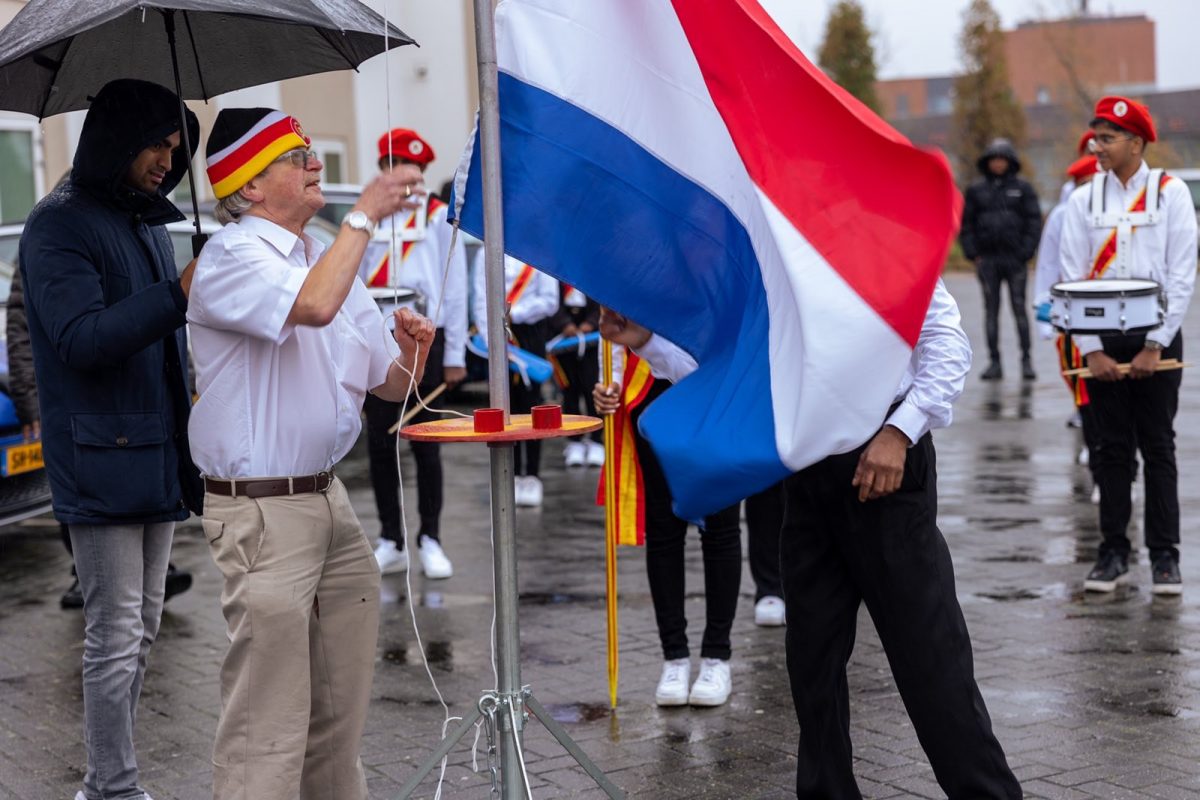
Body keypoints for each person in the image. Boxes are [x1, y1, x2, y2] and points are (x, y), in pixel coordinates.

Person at [598, 284, 1021, 796]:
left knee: (930, 658)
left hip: (885, 467)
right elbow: (735, 371)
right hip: (807, 472)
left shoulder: (885, 247)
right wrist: (647, 342)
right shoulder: (774, 257)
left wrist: (900, 431)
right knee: (811, 661)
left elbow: (947, 344)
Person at [189, 107, 434, 800]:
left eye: (308, 152)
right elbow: (317, 307)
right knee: (265, 722)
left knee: (338, 714)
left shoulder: (317, 254)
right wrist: (365, 214)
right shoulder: (231, 256)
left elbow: (390, 385)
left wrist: (412, 349)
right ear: (250, 186)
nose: (314, 163)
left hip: (327, 498)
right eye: (296, 157)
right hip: (265, 512)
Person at [19, 78, 204, 800]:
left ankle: (107, 783)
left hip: (155, 449)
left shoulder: (145, 221)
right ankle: (113, 788)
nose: (166, 161)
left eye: (175, 147)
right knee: (115, 633)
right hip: (100, 456)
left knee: (144, 627)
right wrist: (177, 293)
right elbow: (81, 338)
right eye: (155, 145)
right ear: (116, 140)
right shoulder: (58, 225)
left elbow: (166, 343)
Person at [1058, 96, 1197, 595]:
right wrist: (1092, 349)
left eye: (1107, 138)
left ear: (1136, 143)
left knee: (1158, 446)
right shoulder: (1082, 200)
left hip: (1155, 338)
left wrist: (1155, 346)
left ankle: (1165, 557)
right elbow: (1071, 276)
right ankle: (1113, 553)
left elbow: (1182, 275)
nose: (1097, 146)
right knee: (1109, 449)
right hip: (1101, 341)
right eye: (1096, 137)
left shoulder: (1170, 193)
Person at [6, 268, 195, 610]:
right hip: (72, 404)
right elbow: (21, 332)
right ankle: (87, 572)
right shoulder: (48, 248)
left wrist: (186, 378)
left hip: (134, 403)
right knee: (79, 490)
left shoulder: (143, 243)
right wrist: (28, 399)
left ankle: (143, 571)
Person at [594, 313, 742, 707]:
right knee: (663, 528)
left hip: (713, 388)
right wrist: (609, 383)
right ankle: (673, 656)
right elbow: (613, 322)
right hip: (651, 394)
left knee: (720, 526)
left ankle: (717, 656)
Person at [362, 128, 468, 580]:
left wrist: (455, 354)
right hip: (379, 334)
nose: (403, 176)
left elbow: (454, 287)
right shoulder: (370, 216)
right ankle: (392, 537)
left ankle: (431, 538)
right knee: (380, 442)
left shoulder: (438, 215)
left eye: (411, 169)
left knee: (426, 442)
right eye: (394, 167)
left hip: (425, 335)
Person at [1035, 150, 1103, 499]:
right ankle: (1094, 444)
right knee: (1080, 381)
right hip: (1072, 312)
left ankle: (1116, 462)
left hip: (1111, 313)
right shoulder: (1063, 215)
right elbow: (1048, 264)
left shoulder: (1114, 210)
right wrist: (1044, 310)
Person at [472, 253, 559, 507]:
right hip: (498, 334)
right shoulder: (485, 252)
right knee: (502, 408)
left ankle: (531, 474)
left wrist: (516, 314)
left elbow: (550, 301)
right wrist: (491, 337)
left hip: (529, 332)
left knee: (531, 407)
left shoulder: (537, 251)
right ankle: (508, 474)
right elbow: (480, 298)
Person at [960, 137, 1043, 381]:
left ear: (1010, 161)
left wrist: (1026, 251)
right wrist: (973, 253)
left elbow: (1034, 221)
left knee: (1019, 309)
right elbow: (967, 224)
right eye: (994, 159)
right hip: (988, 261)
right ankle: (994, 362)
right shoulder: (976, 190)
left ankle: (1026, 360)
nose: (998, 164)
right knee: (991, 311)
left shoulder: (1023, 189)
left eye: (1002, 159)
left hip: (1015, 260)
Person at [548, 285, 604, 467]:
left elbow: (601, 298)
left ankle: (596, 440)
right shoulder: (555, 274)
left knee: (592, 388)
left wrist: (592, 322)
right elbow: (550, 301)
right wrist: (565, 324)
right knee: (569, 391)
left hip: (592, 337)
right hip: (563, 337)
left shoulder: (592, 272)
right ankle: (574, 441)